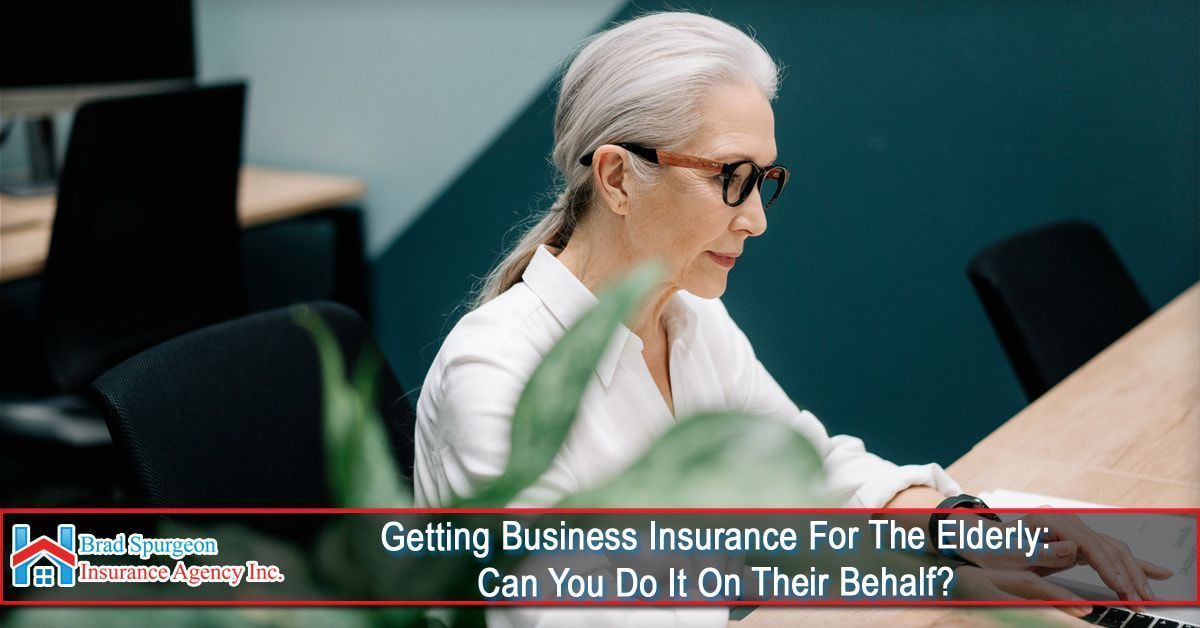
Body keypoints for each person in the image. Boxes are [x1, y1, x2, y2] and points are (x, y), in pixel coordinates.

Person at [412, 11, 1169, 626]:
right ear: (615, 177)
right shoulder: (499, 378)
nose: (755, 222)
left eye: (763, 181)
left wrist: (972, 530)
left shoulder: (688, 321)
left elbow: (814, 478)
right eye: (730, 179)